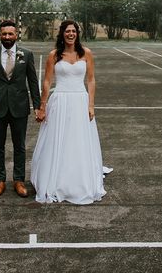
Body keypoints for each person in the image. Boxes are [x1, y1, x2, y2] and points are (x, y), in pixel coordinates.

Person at [31, 19, 111, 204]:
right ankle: (56, 179)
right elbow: (47, 82)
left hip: (80, 101)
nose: (70, 34)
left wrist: (91, 105)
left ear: (77, 33)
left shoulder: (86, 53)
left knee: (78, 140)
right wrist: (42, 106)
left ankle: (79, 179)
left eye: (73, 31)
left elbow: (91, 80)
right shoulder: (54, 55)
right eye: (67, 31)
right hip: (60, 100)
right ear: (62, 33)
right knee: (60, 139)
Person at [0, 19, 41, 198]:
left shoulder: (27, 54)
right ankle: (0, 181)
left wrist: (37, 105)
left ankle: (19, 181)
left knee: (19, 146)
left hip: (19, 107)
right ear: (0, 35)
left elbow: (33, 81)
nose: (7, 37)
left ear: (16, 35)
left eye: (10, 34)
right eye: (4, 33)